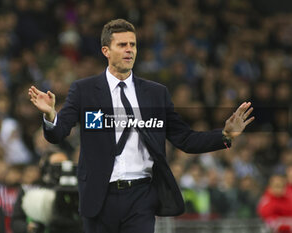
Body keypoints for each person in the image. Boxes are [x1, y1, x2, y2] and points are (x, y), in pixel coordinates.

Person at [28, 19, 254, 233]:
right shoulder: (84, 90)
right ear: (106, 51)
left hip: (141, 196)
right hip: (99, 196)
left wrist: (225, 135)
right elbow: (58, 134)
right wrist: (50, 115)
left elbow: (184, 139)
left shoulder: (156, 94)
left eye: (133, 45)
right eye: (122, 45)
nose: (129, 50)